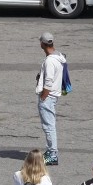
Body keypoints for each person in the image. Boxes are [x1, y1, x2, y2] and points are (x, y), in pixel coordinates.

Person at [35, 32, 65, 166]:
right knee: (49, 125)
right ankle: (50, 151)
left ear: (43, 43)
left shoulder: (50, 61)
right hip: (53, 95)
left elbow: (49, 81)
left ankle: (53, 154)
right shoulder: (58, 56)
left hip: (48, 96)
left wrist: (43, 96)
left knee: (49, 127)